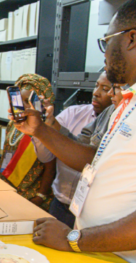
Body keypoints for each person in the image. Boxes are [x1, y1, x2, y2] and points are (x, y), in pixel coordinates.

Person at [17, 0, 136, 253]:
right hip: (97, 252)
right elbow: (92, 159)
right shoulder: (127, 104)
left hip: (118, 260)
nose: (104, 53)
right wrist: (39, 129)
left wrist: (72, 239)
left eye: (107, 41)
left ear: (131, 39)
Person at [31, 71, 116, 227]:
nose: (96, 93)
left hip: (91, 214)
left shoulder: (118, 126)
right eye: (96, 86)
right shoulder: (72, 113)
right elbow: (45, 157)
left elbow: (89, 157)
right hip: (60, 205)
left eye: (105, 88)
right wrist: (42, 127)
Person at [0, 74, 58, 211]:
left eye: (28, 101)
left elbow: (50, 166)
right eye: (21, 101)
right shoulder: (13, 124)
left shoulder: (45, 128)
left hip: (32, 194)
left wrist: (40, 196)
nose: (25, 106)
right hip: (8, 189)